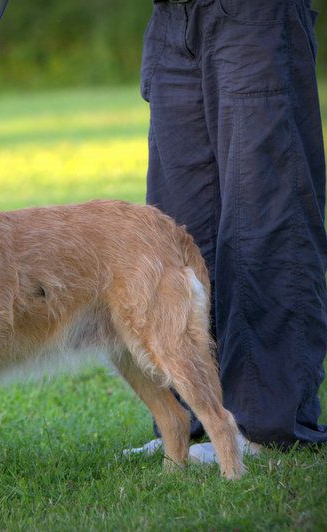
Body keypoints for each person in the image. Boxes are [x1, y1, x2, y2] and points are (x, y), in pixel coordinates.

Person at [129, 0, 327, 461]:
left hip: (250, 16)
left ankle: (268, 425)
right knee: (178, 237)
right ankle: (191, 422)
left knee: (267, 221)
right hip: (170, 19)